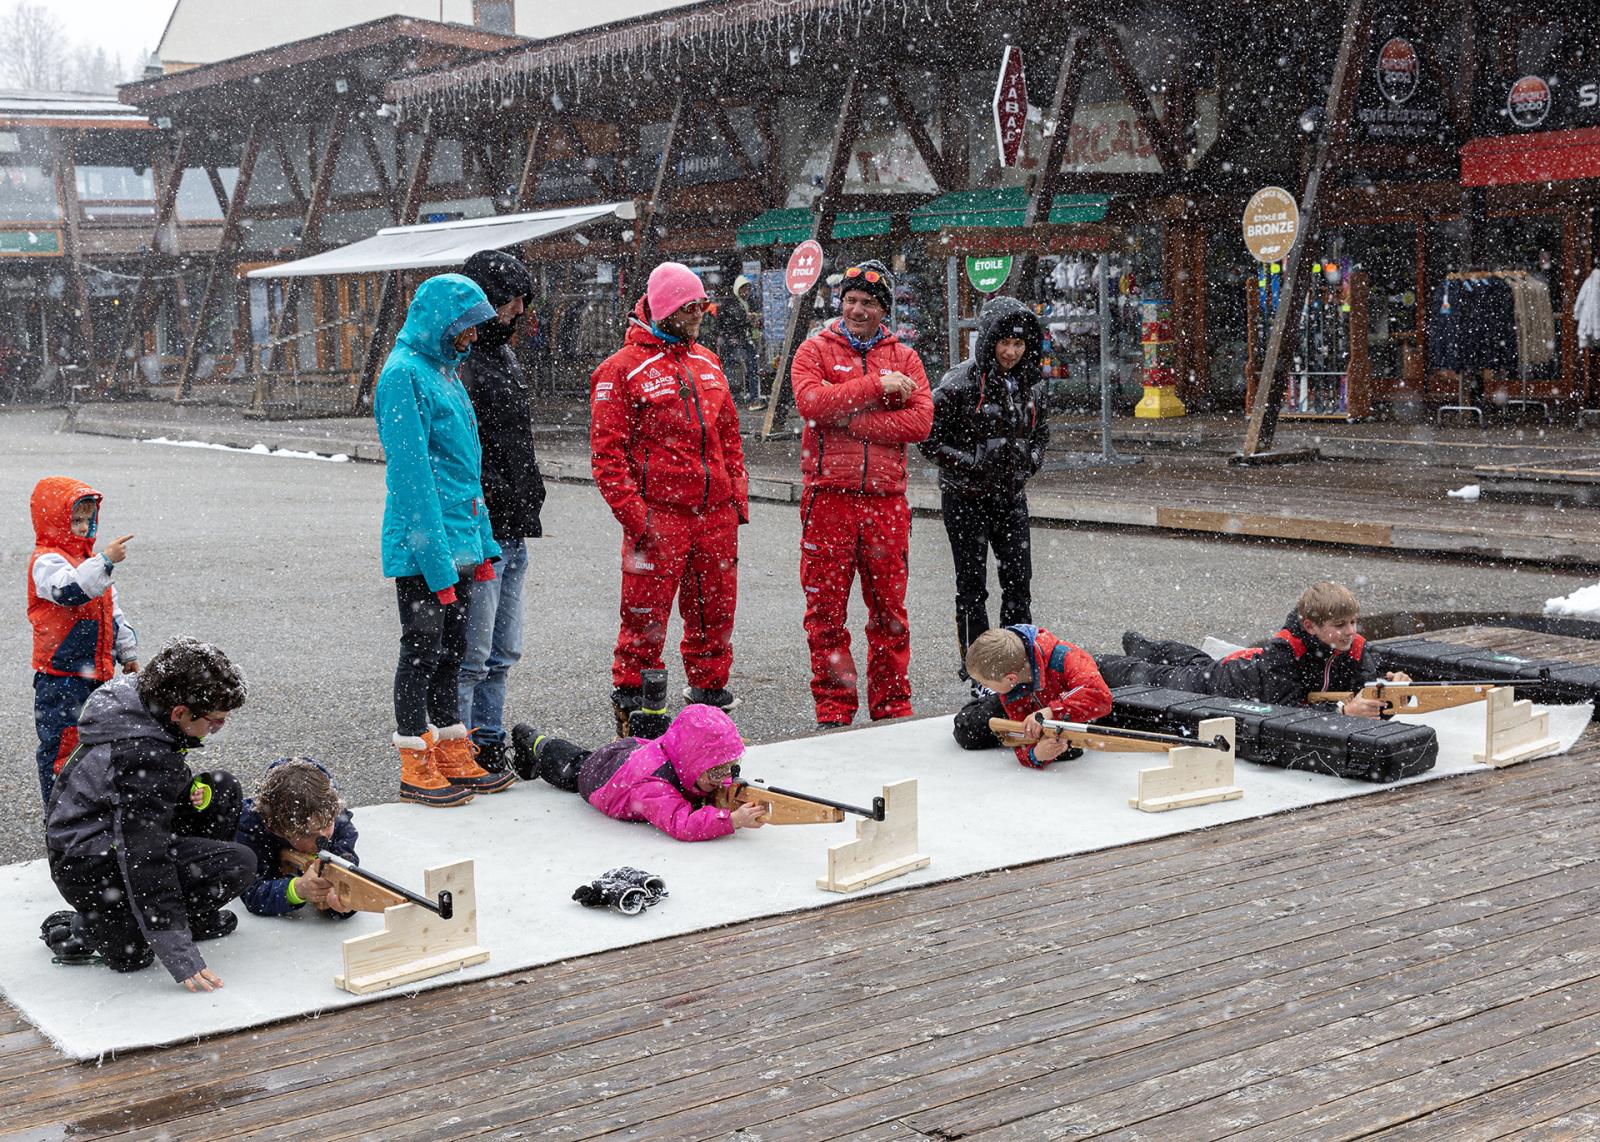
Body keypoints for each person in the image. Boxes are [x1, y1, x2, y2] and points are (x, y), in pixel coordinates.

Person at [590, 261, 749, 737]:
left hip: (715, 517)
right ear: (665, 309)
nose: (700, 313)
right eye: (690, 306)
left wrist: (734, 500)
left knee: (714, 618)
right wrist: (639, 520)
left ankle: (709, 706)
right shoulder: (619, 371)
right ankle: (636, 712)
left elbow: (730, 438)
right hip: (659, 520)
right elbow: (606, 457)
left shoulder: (708, 361)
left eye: (703, 304)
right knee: (644, 622)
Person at [375, 272, 515, 806]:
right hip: (422, 549)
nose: (475, 336)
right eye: (468, 326)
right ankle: (415, 757)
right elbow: (413, 482)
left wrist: (482, 547)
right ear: (443, 322)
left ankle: (451, 744)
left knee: (453, 650)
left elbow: (465, 471)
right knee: (422, 648)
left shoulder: (444, 373)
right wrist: (438, 565)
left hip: (459, 542)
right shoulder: (403, 376)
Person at [42, 638, 252, 990]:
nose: (218, 729)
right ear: (179, 713)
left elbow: (136, 801)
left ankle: (183, 917)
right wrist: (179, 954)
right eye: (215, 722)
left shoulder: (143, 702)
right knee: (132, 958)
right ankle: (86, 927)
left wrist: (182, 795)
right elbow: (145, 857)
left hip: (116, 831)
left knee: (221, 788)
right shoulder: (141, 757)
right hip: (88, 864)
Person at [789, 259, 933, 728]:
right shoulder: (812, 351)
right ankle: (834, 709)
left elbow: (921, 422)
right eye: (850, 300)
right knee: (826, 612)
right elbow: (811, 403)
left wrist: (853, 417)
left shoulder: (906, 358)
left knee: (890, 612)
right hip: (828, 498)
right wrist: (876, 387)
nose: (856, 309)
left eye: (868, 302)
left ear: (883, 309)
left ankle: (892, 707)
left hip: (886, 502)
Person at [919, 297, 1049, 680]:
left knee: (1018, 585)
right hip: (965, 499)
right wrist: (972, 463)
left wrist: (1031, 460)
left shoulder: (1033, 385)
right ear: (989, 340)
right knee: (972, 589)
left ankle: (1017, 663)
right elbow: (928, 438)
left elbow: (1041, 434)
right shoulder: (958, 383)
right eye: (1004, 342)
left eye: (1019, 344)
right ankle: (977, 670)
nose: (1011, 352)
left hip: (1011, 498)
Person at [457, 250, 545, 776]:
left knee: (502, 648)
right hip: (484, 522)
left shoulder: (501, 356)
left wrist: (526, 491)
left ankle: (487, 736)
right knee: (475, 649)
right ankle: (464, 743)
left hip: (511, 519)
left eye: (519, 299)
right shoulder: (464, 362)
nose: (516, 310)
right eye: (507, 299)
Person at [1093, 580, 1412, 717]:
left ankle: (1144, 644)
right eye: (1340, 625)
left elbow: (1368, 685)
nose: (1350, 632)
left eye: (1353, 622)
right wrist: (1342, 711)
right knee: (1157, 677)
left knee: (1194, 661)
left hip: (1240, 668)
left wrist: (1393, 686)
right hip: (1229, 681)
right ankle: (1101, 659)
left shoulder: (1355, 647)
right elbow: (1287, 709)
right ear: (1311, 626)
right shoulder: (1284, 652)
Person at [27, 476, 140, 807]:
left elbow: (112, 612)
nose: (82, 526)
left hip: (96, 672)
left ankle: (89, 813)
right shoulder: (46, 560)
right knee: (62, 749)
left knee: (97, 747)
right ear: (54, 520)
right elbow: (71, 591)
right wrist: (104, 561)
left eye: (87, 519)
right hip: (61, 677)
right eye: (74, 519)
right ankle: (60, 820)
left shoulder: (89, 563)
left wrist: (127, 652)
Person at [513, 704, 767, 841]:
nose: (722, 779)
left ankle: (539, 746)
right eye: (715, 772)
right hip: (602, 778)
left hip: (636, 754)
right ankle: (535, 744)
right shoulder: (654, 785)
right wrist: (731, 820)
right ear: (692, 762)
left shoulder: (684, 759)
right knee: (573, 766)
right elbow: (682, 824)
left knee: (579, 758)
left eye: (728, 768)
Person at [953, 625, 1114, 768]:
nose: (984, 687)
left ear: (1011, 678)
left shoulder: (1064, 657)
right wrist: (1036, 755)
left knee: (1127, 681)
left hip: (1093, 677)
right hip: (1043, 703)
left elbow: (1101, 697)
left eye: (986, 684)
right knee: (968, 730)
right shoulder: (1011, 689)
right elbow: (1021, 739)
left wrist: (1051, 711)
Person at [235, 757, 360, 919]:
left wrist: (339, 899)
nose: (324, 837)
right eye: (308, 834)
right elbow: (253, 894)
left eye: (328, 823)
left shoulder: (337, 821)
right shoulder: (250, 828)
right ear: (277, 830)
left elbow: (349, 872)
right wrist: (298, 889)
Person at [718, 274, 762, 409]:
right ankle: (735, 398)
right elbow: (728, 321)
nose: (746, 292)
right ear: (737, 289)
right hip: (732, 341)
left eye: (748, 289)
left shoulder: (748, 303)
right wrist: (746, 319)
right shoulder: (730, 303)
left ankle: (753, 396)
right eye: (744, 289)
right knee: (733, 369)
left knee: (752, 367)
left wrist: (751, 321)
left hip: (744, 339)